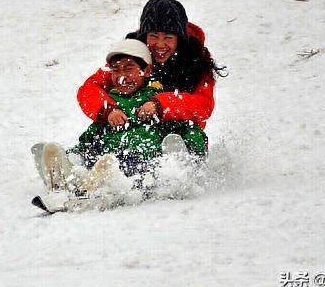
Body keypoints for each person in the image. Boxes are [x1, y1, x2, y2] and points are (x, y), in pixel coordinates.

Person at [34, 39, 207, 193]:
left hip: (144, 163)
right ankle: (67, 174)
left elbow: (188, 128)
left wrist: (194, 152)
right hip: (108, 156)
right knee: (92, 156)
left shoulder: (157, 101)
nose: (122, 77)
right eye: (116, 70)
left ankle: (99, 184)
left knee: (113, 166)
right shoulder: (111, 104)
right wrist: (76, 153)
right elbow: (91, 136)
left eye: (129, 68)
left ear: (146, 71)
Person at [77, 0, 225, 147]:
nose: (160, 45)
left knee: (187, 136)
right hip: (132, 130)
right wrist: (107, 111)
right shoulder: (133, 55)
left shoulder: (197, 60)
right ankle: (83, 160)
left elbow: (203, 105)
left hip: (180, 131)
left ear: (179, 39)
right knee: (102, 134)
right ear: (144, 36)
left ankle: (178, 159)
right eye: (153, 36)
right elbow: (89, 89)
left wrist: (161, 105)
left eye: (168, 37)